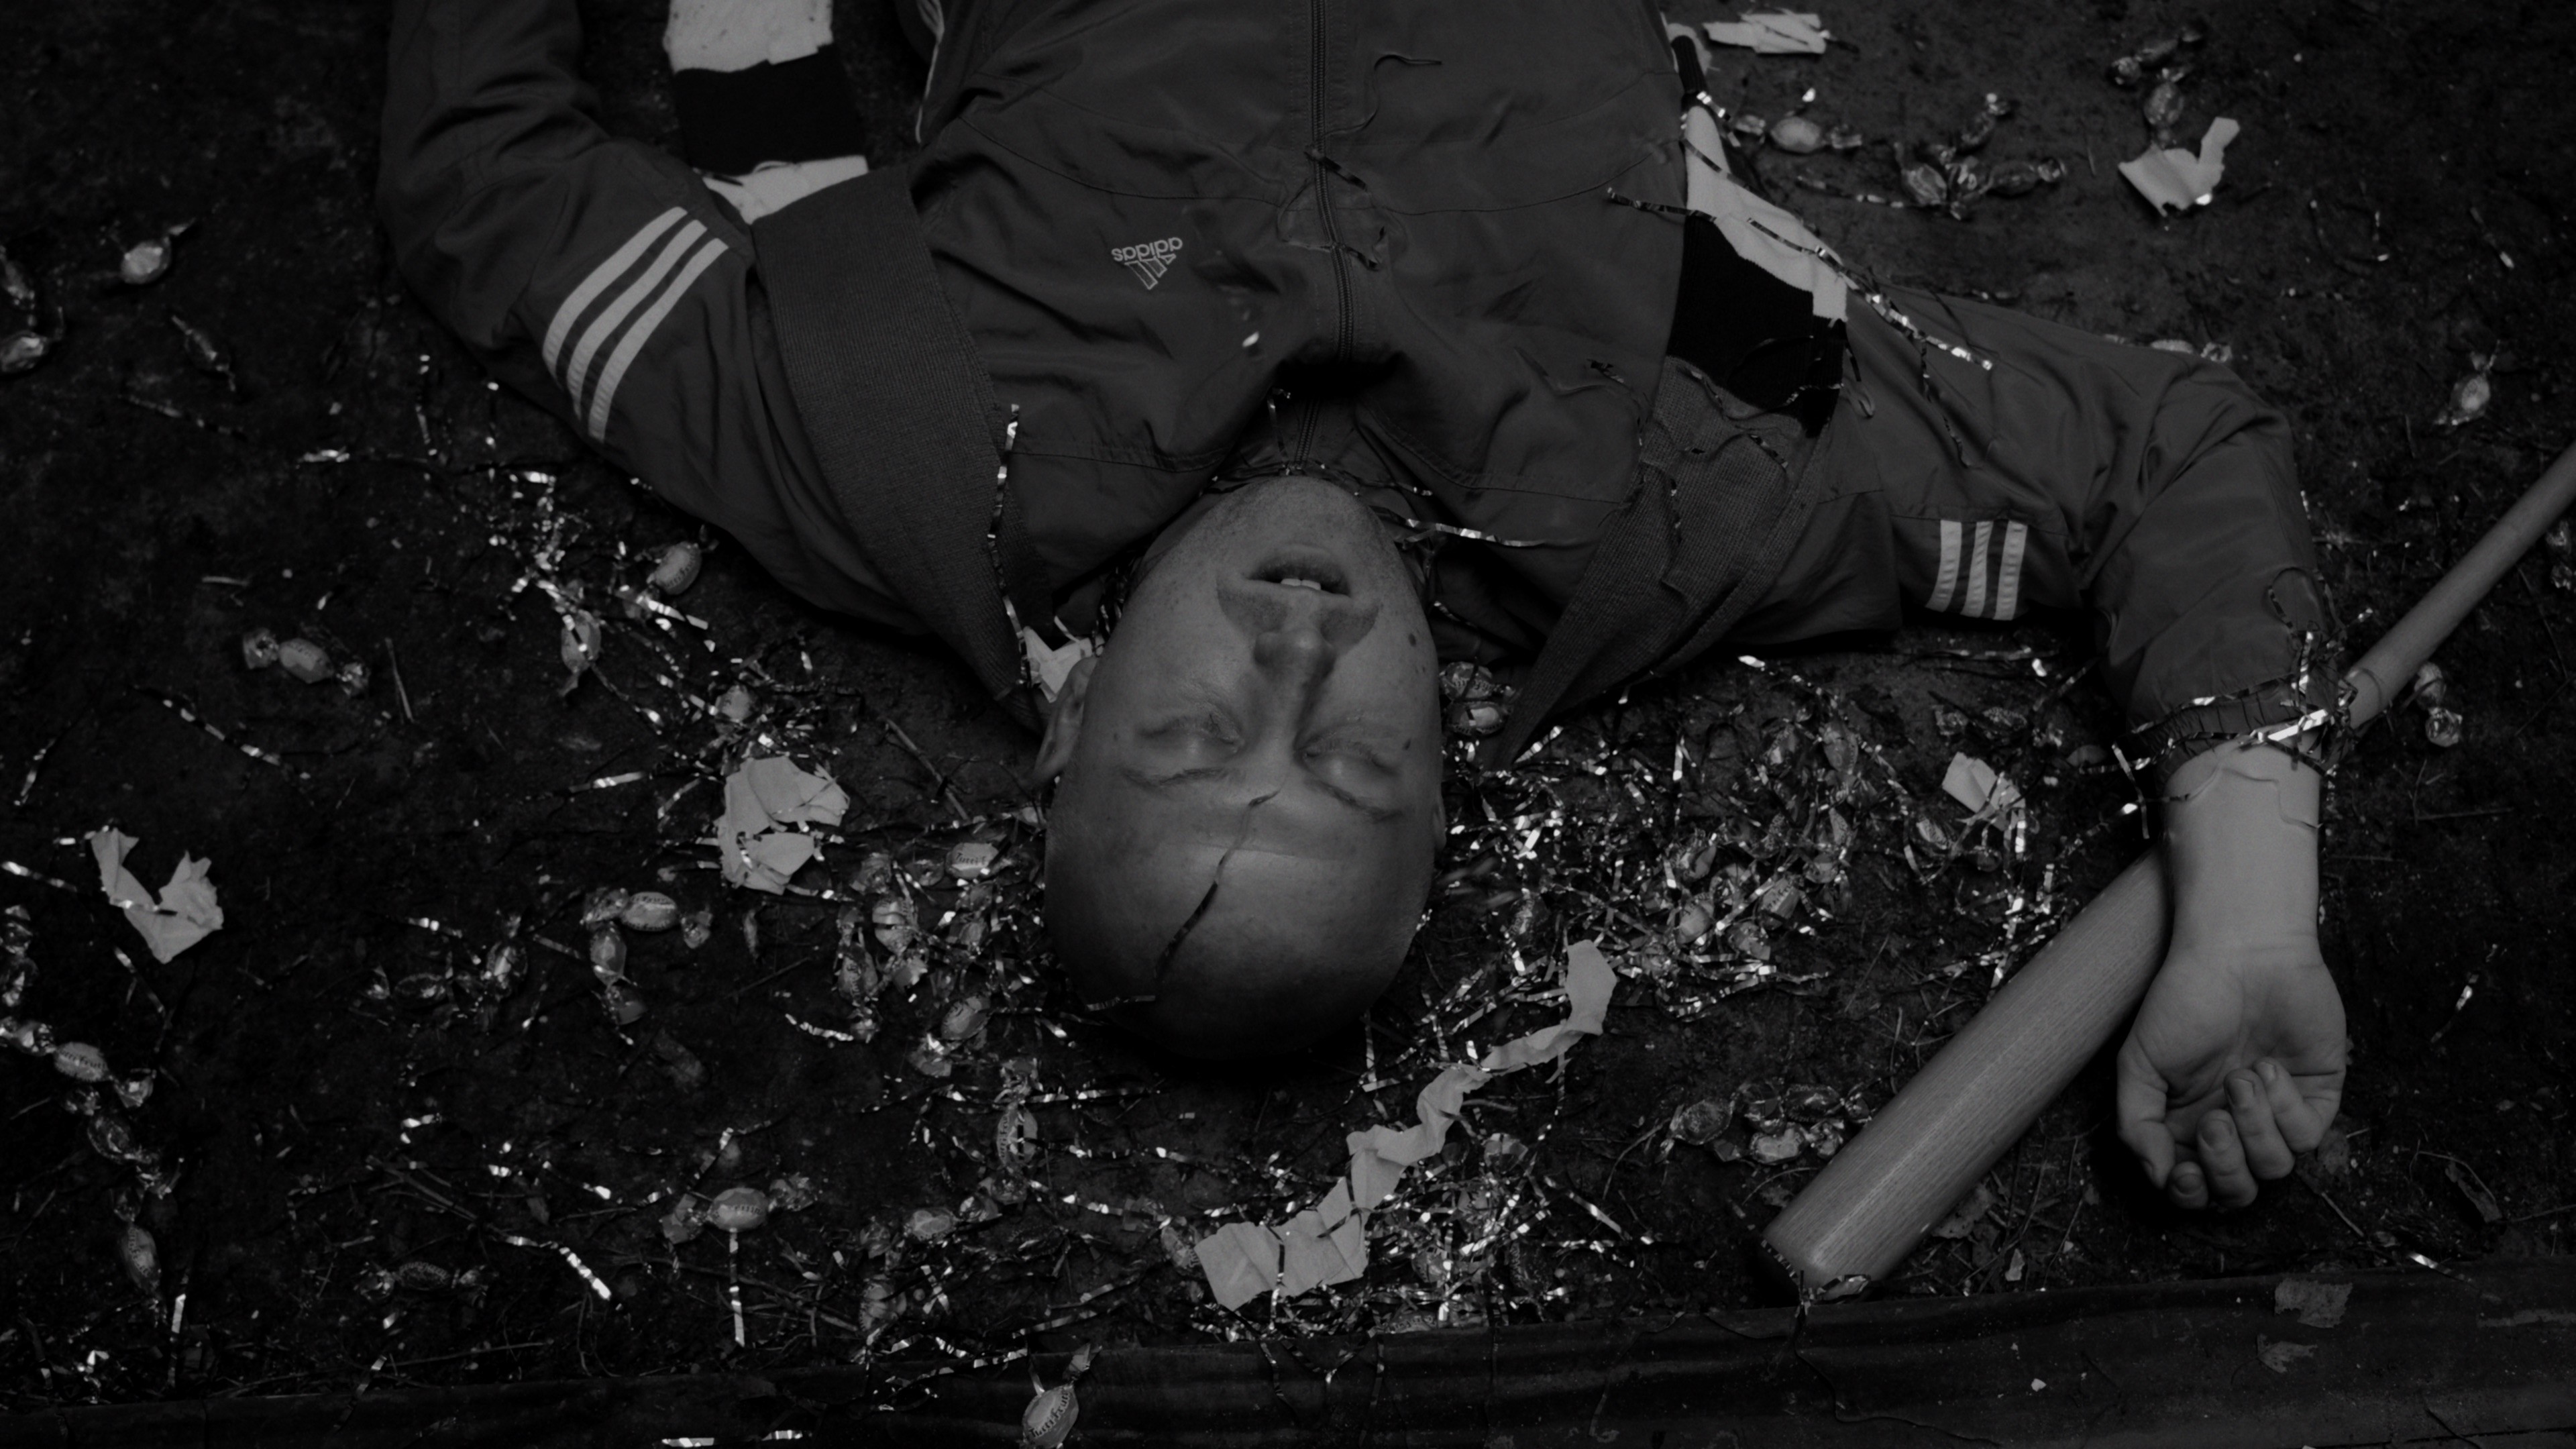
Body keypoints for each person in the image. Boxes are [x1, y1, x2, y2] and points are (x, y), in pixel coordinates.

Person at [380, 0, 2346, 1210]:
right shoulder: (1687, 494)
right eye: (1346, 764)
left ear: (1066, 731)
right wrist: (2254, 909)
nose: (1299, 654)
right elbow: (2158, 462)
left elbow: (482, 171)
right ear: (1454, 787)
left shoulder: (881, 446)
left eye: (1197, 734)